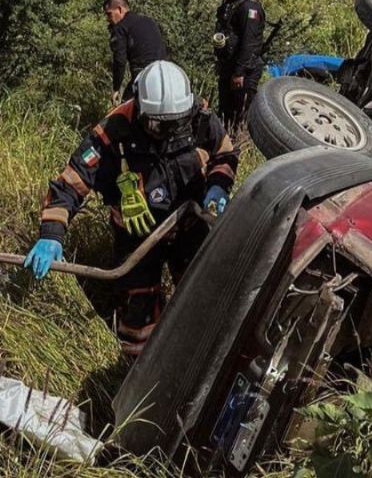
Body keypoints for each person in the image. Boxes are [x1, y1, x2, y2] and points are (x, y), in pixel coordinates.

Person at [24, 60, 239, 355]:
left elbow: (225, 155)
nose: (166, 131)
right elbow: (69, 184)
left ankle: (202, 357)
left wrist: (217, 186)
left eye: (174, 123)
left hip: (190, 227)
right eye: (157, 124)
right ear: (139, 108)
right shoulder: (113, 133)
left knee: (206, 298)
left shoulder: (198, 117)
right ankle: (143, 377)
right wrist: (51, 233)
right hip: (137, 241)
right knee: (139, 320)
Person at [214, 0, 265, 129]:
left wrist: (239, 72)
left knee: (241, 115)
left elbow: (249, 43)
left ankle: (241, 145)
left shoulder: (249, 7)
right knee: (225, 113)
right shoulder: (230, 4)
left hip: (244, 71)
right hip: (229, 66)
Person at [104, 0, 168, 105]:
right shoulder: (149, 21)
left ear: (119, 9)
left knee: (123, 114)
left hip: (143, 77)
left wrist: (116, 88)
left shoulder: (120, 28)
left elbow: (120, 61)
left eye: (109, 14)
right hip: (164, 75)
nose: (108, 19)